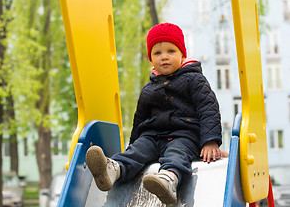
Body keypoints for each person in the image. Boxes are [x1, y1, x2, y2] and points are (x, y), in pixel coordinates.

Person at [86, 22, 227, 204]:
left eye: (171, 51)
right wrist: (133, 144)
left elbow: (208, 108)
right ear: (151, 59)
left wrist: (210, 141)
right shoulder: (149, 89)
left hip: (184, 136)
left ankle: (168, 180)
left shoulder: (194, 80)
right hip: (153, 137)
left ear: (182, 55)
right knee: (138, 151)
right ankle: (114, 169)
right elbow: (140, 120)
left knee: (177, 153)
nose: (164, 57)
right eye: (157, 53)